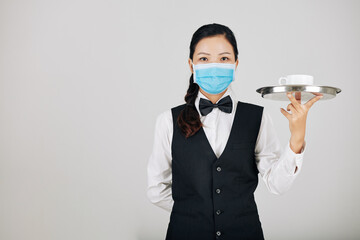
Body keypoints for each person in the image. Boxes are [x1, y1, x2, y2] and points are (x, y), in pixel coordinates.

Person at [146, 23, 322, 240]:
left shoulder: (257, 117)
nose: (214, 65)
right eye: (204, 58)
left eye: (223, 58)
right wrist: (191, 212)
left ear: (236, 64)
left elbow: (277, 185)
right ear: (191, 65)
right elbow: (156, 189)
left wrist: (297, 137)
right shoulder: (167, 121)